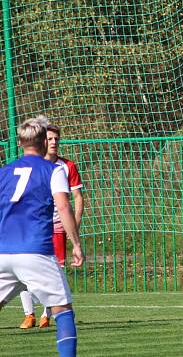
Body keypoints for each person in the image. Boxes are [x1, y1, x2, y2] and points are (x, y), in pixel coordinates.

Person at [0, 115, 84, 357]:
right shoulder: (53, 169)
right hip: (35, 251)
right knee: (63, 310)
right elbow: (64, 206)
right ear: (43, 143)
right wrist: (76, 243)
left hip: (3, 251)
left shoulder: (4, 172)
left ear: (21, 143)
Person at [19, 122, 85, 329]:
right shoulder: (30, 167)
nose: (54, 142)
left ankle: (46, 315)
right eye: (49, 139)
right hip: (32, 226)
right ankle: (29, 314)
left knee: (55, 272)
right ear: (41, 141)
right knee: (24, 272)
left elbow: (76, 198)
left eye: (57, 139)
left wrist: (73, 227)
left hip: (56, 226)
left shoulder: (67, 166)